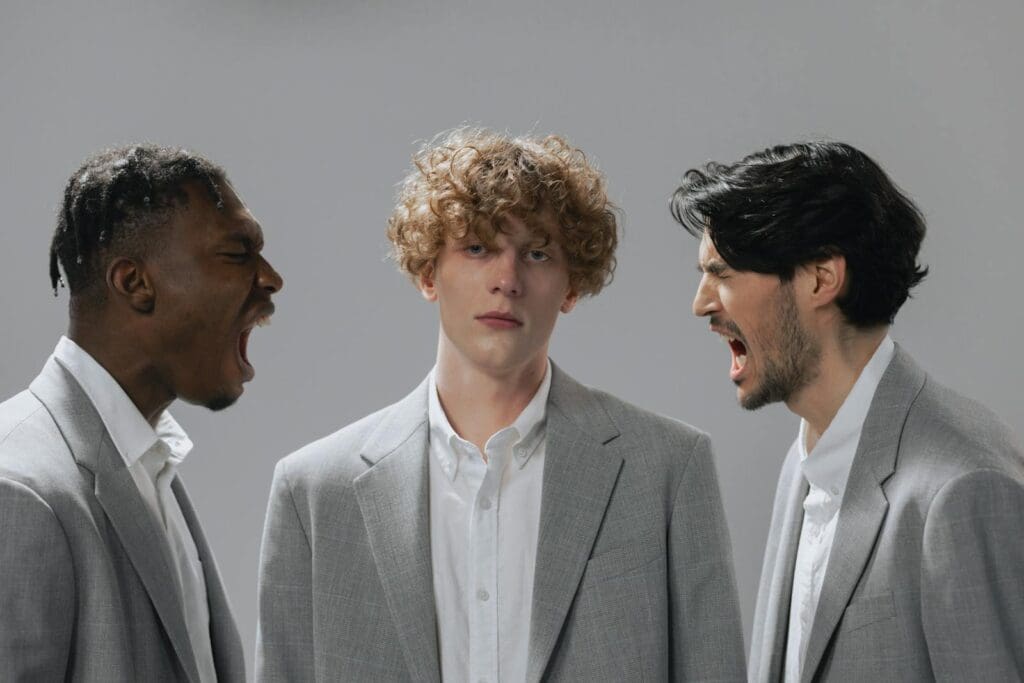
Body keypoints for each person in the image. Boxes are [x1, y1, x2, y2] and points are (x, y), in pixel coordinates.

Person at [257, 128, 745, 682]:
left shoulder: (666, 468)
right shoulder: (315, 491)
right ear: (427, 272)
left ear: (570, 286)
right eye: (477, 248)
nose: (507, 280)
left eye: (537, 254)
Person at [674, 141, 1024, 681]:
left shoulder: (962, 490)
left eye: (722, 273)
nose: (701, 302)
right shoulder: (805, 461)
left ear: (820, 278)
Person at [0, 144, 283, 681]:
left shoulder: (149, 470)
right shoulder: (18, 491)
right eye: (237, 253)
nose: (270, 278)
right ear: (135, 283)